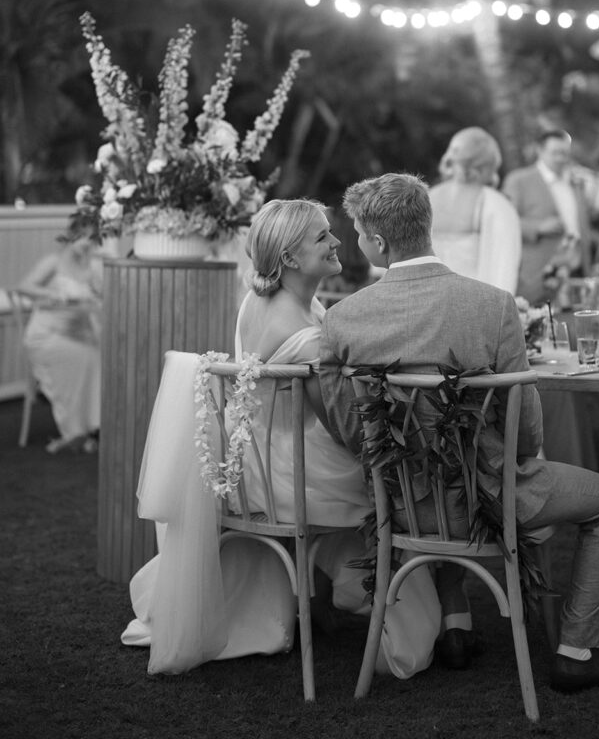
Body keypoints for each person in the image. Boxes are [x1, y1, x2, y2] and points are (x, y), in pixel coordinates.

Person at [319, 173, 599, 693]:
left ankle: (455, 629)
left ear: (378, 242)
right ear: (426, 225)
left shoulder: (344, 319)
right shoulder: (492, 305)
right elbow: (527, 430)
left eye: (357, 233)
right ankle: (577, 650)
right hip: (490, 498)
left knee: (446, 464)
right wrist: (513, 461)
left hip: (399, 503)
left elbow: (352, 430)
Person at [122, 199, 441, 678]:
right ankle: (390, 614)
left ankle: (340, 595)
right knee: (404, 478)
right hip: (285, 470)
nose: (336, 243)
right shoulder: (304, 333)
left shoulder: (264, 299)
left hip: (256, 455)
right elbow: (340, 423)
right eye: (322, 238)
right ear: (290, 259)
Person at [17, 237, 102, 453]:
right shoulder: (53, 262)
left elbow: (95, 302)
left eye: (91, 240)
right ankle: (80, 429)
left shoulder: (89, 269)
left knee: (99, 354)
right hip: (44, 336)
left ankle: (92, 427)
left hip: (73, 335)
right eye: (82, 238)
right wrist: (53, 295)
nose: (86, 244)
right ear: (70, 238)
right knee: (90, 357)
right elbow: (23, 287)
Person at [503, 129, 592, 304]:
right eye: (555, 153)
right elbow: (504, 221)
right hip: (536, 275)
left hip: (575, 270)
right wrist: (538, 227)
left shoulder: (575, 182)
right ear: (539, 150)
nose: (561, 158)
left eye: (565, 153)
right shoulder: (519, 180)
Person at [429, 126, 521, 293]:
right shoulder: (496, 205)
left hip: (429, 310)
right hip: (476, 308)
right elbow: (504, 269)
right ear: (487, 166)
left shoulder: (425, 199)